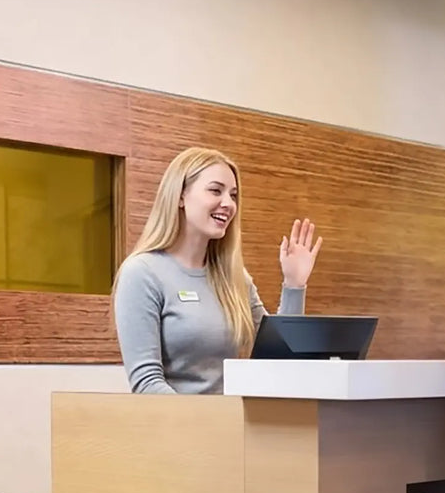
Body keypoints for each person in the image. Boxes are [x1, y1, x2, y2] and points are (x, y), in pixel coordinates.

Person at [113, 146, 322, 394]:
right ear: (180, 196)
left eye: (233, 195)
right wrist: (207, 422)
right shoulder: (142, 273)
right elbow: (146, 384)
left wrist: (294, 285)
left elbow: (281, 356)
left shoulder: (233, 277)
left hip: (233, 425)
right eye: (215, 191)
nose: (228, 204)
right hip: (181, 427)